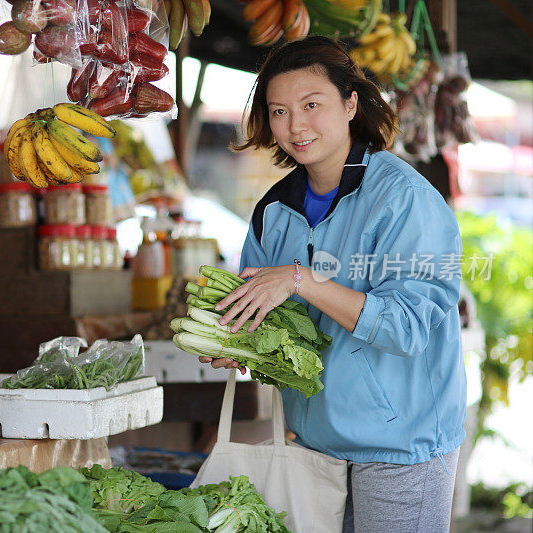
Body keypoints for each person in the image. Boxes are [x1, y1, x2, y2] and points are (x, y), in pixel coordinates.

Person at [198, 36, 466, 532]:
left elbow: (408, 328)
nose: (295, 125)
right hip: (313, 443)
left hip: (399, 448)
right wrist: (241, 342)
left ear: (349, 104)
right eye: (278, 111)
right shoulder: (272, 212)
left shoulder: (405, 199)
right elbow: (279, 323)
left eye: (311, 105)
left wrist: (302, 280)